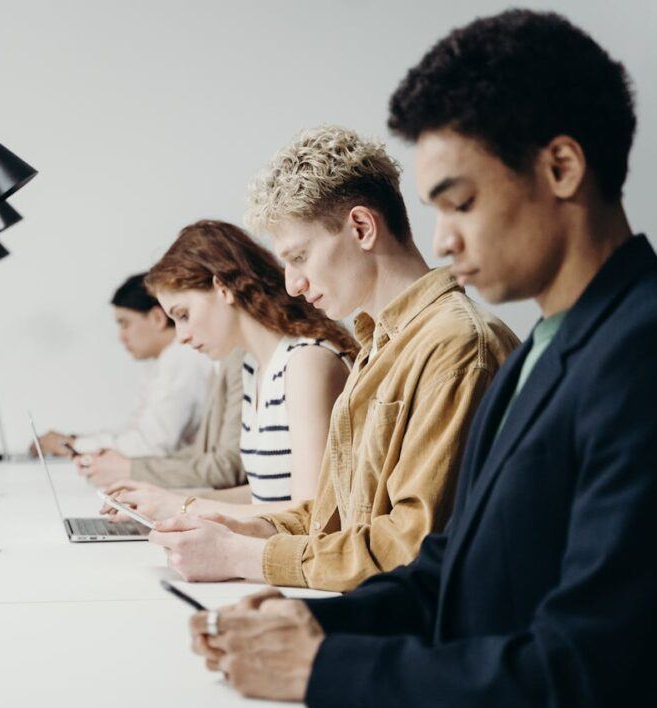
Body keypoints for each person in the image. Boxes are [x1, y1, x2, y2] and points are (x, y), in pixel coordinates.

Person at [188, 10, 656, 708]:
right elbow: (448, 569)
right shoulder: (546, 347)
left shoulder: (638, 353)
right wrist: (312, 624)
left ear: (561, 168)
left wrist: (321, 672)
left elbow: (589, 668)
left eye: (460, 204)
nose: (441, 243)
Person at [138, 125, 518, 592]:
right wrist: (238, 529)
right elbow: (336, 517)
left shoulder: (456, 346)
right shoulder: (379, 345)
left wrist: (243, 555)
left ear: (361, 227)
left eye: (299, 257)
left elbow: (411, 547)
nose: (292, 284)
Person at [103, 220, 358, 518]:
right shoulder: (254, 367)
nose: (181, 335)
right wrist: (165, 499)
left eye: (183, 314)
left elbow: (311, 514)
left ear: (222, 288)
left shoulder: (306, 362)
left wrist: (181, 506)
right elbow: (266, 495)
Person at [32, 272, 212, 458]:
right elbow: (136, 431)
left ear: (157, 318)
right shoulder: (162, 361)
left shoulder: (181, 358)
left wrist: (75, 444)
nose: (121, 337)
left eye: (125, 324)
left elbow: (151, 445)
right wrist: (76, 441)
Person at [75, 348, 246, 491]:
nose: (181, 337)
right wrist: (129, 466)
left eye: (184, 315)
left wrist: (130, 469)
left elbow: (227, 468)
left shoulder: (233, 359)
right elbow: (201, 452)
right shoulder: (221, 362)